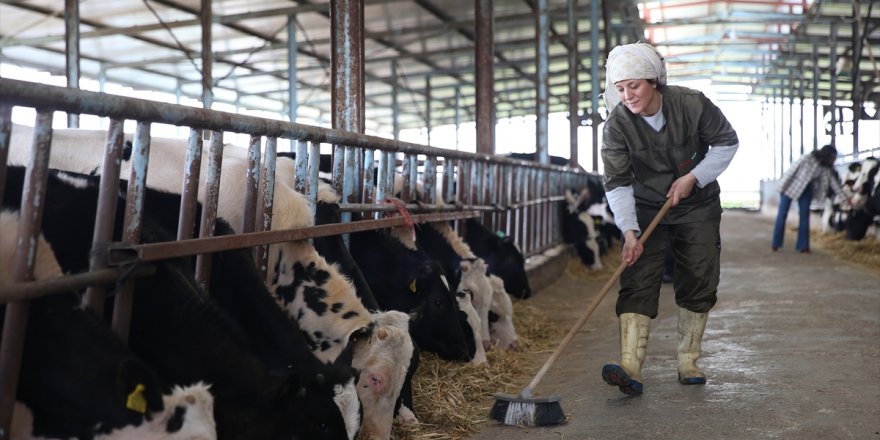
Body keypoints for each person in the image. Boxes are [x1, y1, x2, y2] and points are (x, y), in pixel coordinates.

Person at [599, 42, 740, 396]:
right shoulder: (616, 126)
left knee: (699, 272)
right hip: (646, 207)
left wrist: (694, 177)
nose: (627, 95)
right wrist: (629, 232)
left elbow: (727, 142)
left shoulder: (692, 104)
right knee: (637, 278)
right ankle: (630, 365)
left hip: (698, 204)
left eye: (634, 85)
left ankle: (688, 359)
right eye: (620, 88)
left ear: (654, 82)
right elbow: (616, 183)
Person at [772, 145, 846, 253]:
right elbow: (791, 171)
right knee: (782, 214)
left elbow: (834, 183)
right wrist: (782, 187)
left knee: (805, 216)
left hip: (806, 190)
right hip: (790, 186)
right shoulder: (806, 158)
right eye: (832, 158)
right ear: (826, 155)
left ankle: (803, 246)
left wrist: (844, 198)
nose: (833, 160)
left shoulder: (826, 168)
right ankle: (776, 243)